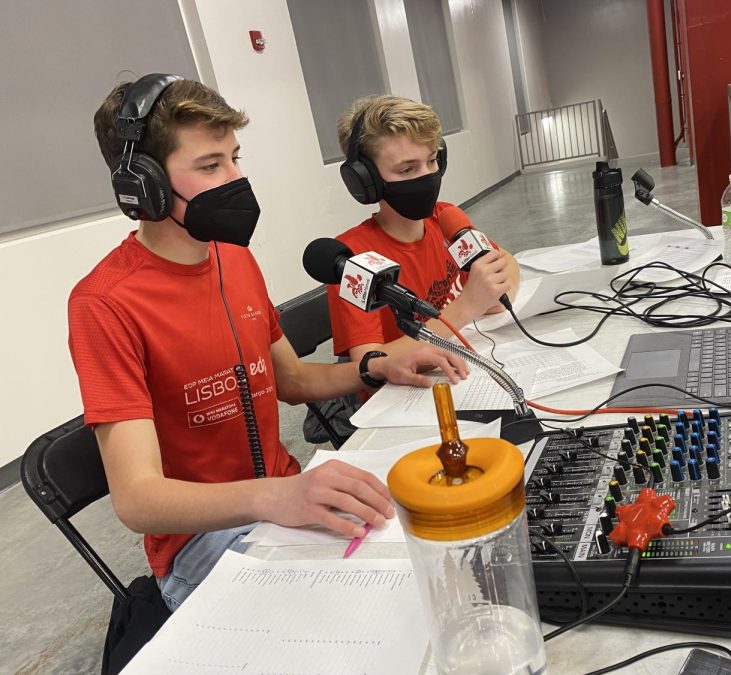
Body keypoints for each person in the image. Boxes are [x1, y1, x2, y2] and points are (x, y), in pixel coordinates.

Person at [68, 75, 467, 612]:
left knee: (442, 548)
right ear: (144, 184)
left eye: (235, 157)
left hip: (281, 505)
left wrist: (378, 367)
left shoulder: (234, 259)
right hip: (201, 543)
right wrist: (277, 496)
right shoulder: (105, 303)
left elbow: (294, 381)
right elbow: (138, 499)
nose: (237, 179)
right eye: (211, 166)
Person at [328, 95, 521, 367]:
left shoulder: (444, 217)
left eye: (431, 161)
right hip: (401, 399)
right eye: (408, 169)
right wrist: (465, 308)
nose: (427, 176)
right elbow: (369, 364)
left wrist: (494, 296)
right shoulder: (352, 258)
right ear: (365, 181)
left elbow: (506, 262)